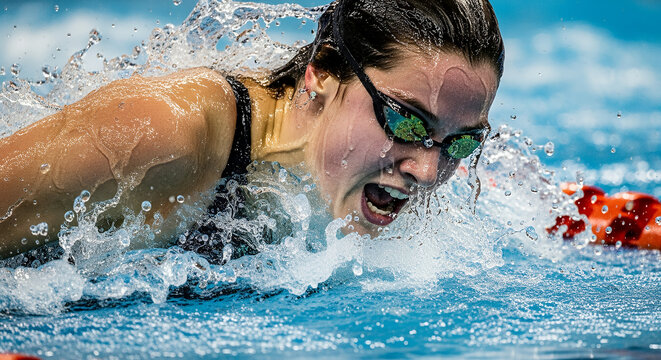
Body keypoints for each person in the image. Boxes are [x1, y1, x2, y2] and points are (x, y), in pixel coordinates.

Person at [0, 0, 504, 260]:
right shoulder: (165, 136)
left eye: (460, 142)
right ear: (323, 71)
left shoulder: (368, 173)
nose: (427, 169)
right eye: (406, 121)